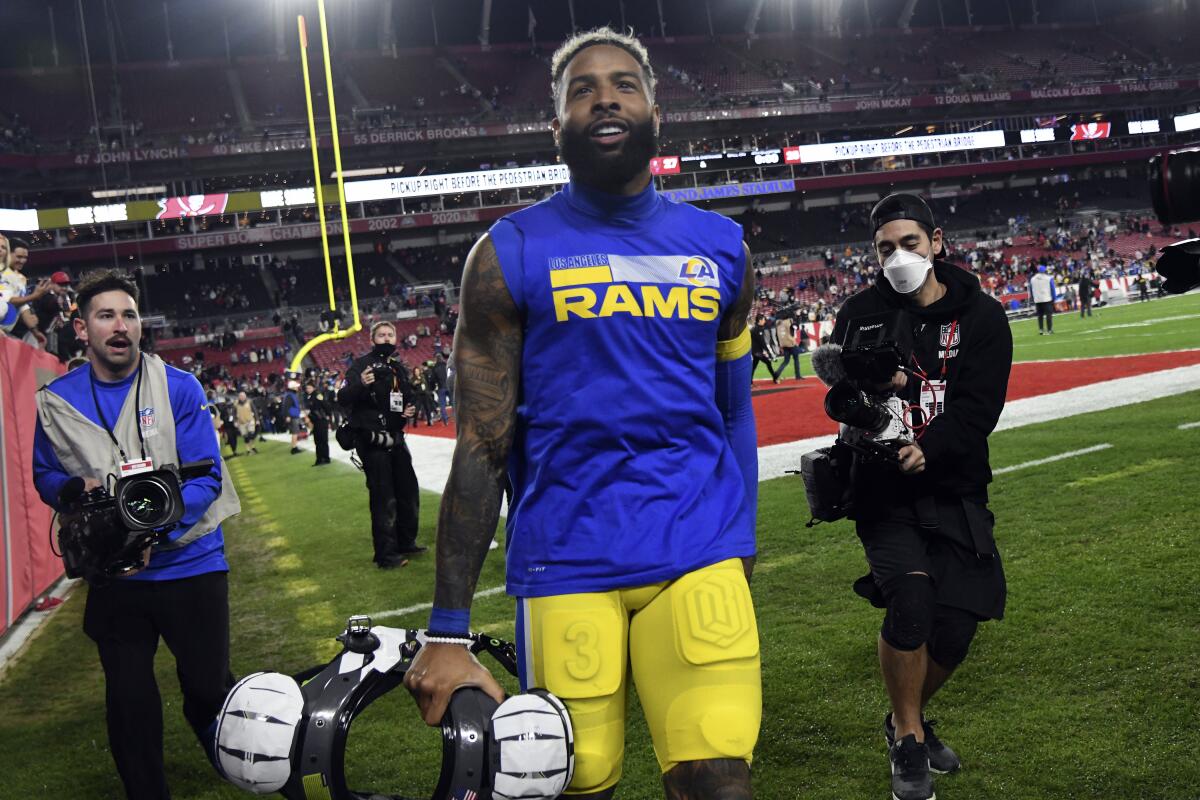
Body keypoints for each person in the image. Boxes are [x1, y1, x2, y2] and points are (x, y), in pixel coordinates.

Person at [403, 28, 761, 800]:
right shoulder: (508, 253)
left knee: (721, 787)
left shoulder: (723, 247)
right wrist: (447, 628)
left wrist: (743, 536)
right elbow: (482, 441)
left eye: (624, 84)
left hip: (697, 551)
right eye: (583, 88)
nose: (605, 97)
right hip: (566, 560)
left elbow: (734, 411)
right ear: (556, 124)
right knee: (578, 784)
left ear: (655, 111)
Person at [31, 268, 240, 800]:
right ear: (83, 328)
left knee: (206, 692)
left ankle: (251, 763)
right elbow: (44, 475)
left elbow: (208, 476)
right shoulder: (57, 400)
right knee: (127, 699)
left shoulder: (179, 386)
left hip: (191, 565)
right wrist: (73, 491)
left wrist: (151, 524)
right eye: (106, 316)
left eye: (129, 314)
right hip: (116, 576)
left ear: (141, 324)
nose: (120, 326)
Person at [830, 193, 1012, 800]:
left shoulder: (983, 318)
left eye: (909, 243)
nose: (898, 256)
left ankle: (899, 717)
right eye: (885, 248)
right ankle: (908, 739)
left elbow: (978, 408)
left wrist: (928, 447)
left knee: (956, 629)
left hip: (956, 485)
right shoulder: (858, 312)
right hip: (882, 489)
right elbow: (846, 398)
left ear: (936, 241)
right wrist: (864, 413)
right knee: (910, 601)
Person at [336, 321, 425, 568]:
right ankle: (386, 555)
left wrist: (409, 408)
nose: (386, 338)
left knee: (408, 492)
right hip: (372, 441)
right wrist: (361, 384)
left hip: (396, 438)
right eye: (382, 335)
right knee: (384, 498)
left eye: (390, 334)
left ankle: (406, 542)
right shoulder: (359, 366)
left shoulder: (398, 368)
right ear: (373, 339)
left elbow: (408, 397)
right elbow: (342, 398)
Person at [302, 379, 331, 465]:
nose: (308, 390)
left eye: (309, 388)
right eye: (307, 388)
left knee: (322, 440)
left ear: (313, 388)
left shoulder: (318, 395)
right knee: (318, 441)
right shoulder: (310, 396)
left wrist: (328, 415)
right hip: (316, 421)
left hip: (321, 420)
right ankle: (320, 459)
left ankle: (325, 458)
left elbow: (326, 405)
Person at [751, 313, 782, 383]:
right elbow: (762, 342)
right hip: (757, 351)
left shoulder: (755, 328)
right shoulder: (757, 329)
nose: (764, 321)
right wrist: (768, 351)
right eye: (764, 320)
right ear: (760, 320)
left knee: (754, 366)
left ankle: (750, 382)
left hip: (755, 351)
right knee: (768, 363)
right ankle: (775, 378)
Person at [774, 314, 805, 380]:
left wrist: (780, 345)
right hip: (790, 343)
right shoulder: (788, 322)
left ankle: (777, 373)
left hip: (783, 344)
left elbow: (776, 335)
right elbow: (796, 328)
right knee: (796, 359)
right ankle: (798, 375)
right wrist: (798, 318)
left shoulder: (778, 324)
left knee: (786, 361)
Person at [1028, 265, 1057, 334]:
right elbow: (1052, 289)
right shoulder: (1049, 278)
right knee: (1048, 315)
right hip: (1047, 299)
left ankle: (1041, 329)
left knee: (1040, 316)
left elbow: (1031, 290)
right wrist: (1054, 298)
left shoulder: (1032, 279)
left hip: (1037, 300)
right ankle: (1049, 329)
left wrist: (1033, 297)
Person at [234, 390, 258, 455]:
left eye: (243, 396)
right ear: (239, 397)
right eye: (241, 396)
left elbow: (254, 410)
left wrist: (257, 419)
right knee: (245, 436)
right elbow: (234, 413)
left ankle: (252, 447)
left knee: (251, 434)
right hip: (241, 422)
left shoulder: (249, 402)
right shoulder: (236, 404)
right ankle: (248, 449)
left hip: (250, 420)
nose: (242, 397)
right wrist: (235, 421)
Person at [283, 379, 303, 453]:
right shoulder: (289, 395)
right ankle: (294, 448)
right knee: (295, 432)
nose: (297, 388)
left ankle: (294, 447)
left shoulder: (291, 394)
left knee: (295, 432)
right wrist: (287, 416)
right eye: (296, 387)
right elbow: (286, 406)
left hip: (294, 415)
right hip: (292, 416)